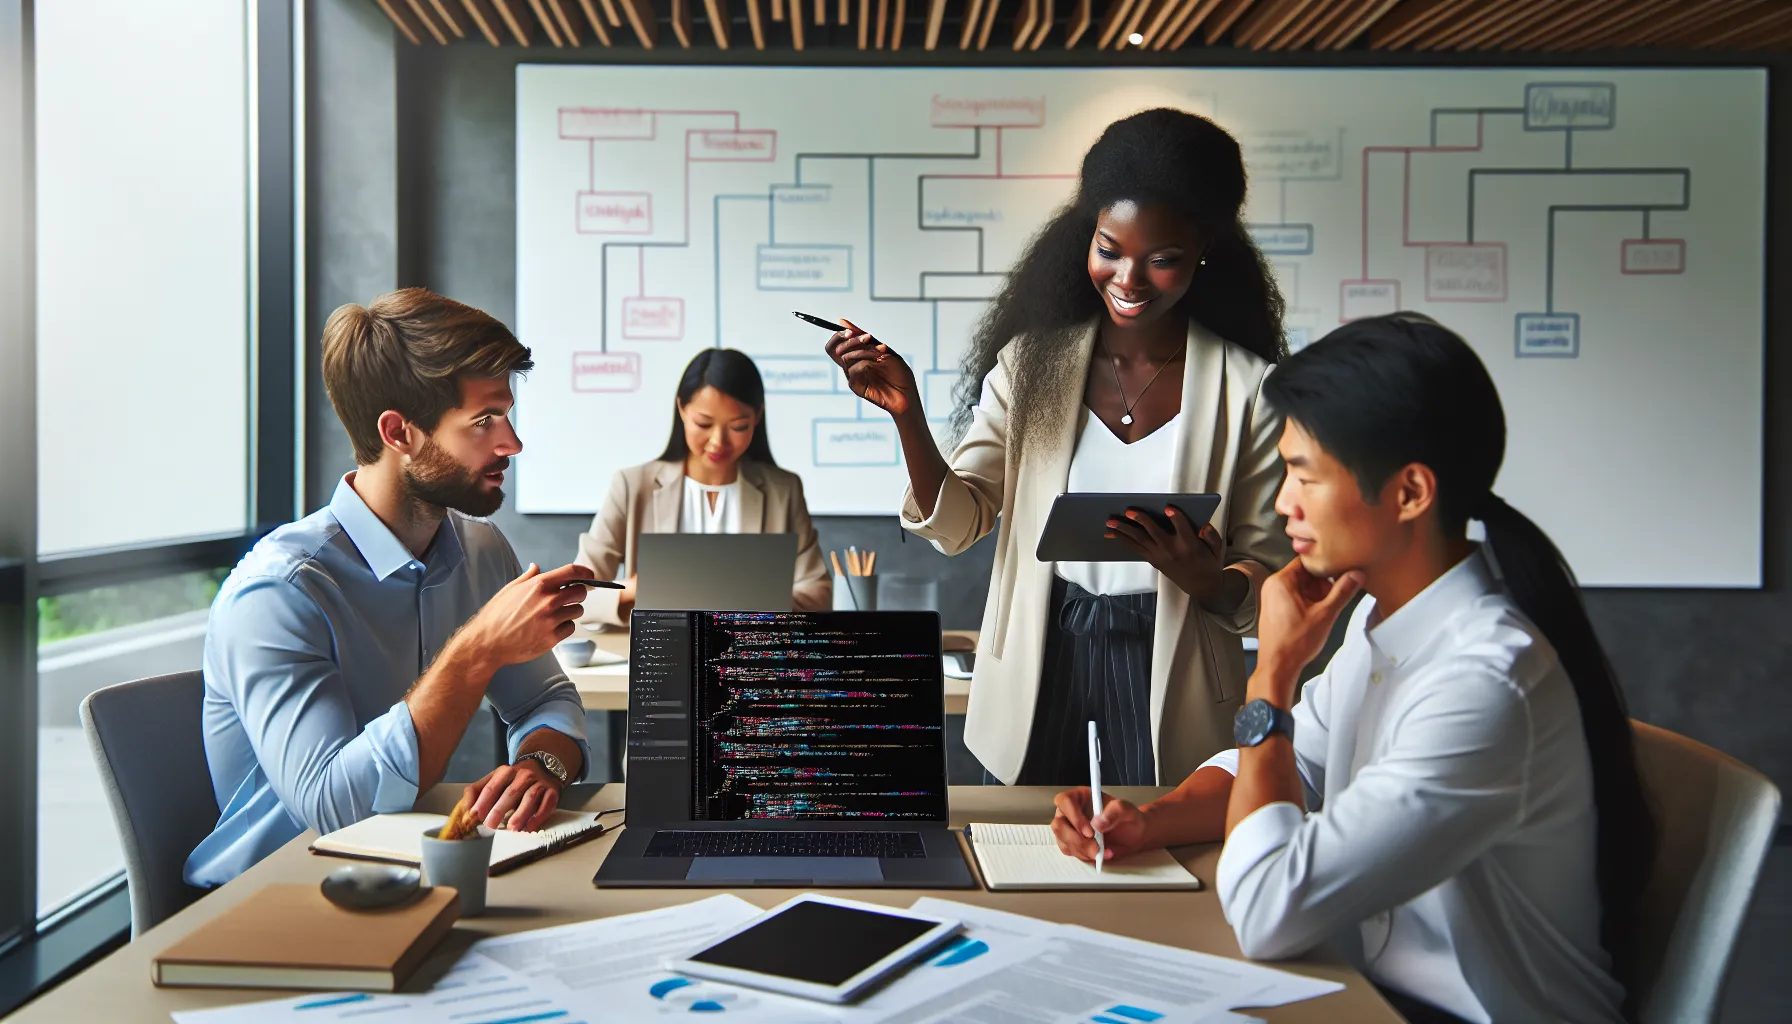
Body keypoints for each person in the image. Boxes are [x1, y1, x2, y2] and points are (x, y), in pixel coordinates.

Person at [1049, 313, 1657, 1023]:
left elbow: (1270, 910)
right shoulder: (1382, 628)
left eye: (1304, 475)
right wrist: (1150, 823)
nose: (1283, 506)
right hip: (1376, 995)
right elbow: (1294, 770)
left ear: (1409, 493)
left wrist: (1270, 676)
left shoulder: (1484, 684)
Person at [824, 108, 1290, 785]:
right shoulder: (1030, 366)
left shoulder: (1250, 390)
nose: (1128, 280)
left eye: (1162, 260)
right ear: (1087, 236)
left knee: (1160, 869)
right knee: (1019, 858)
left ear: (1203, 254)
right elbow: (958, 525)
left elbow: (1269, 573)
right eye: (1110, 248)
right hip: (1041, 662)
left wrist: (1210, 581)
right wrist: (908, 418)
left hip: (1173, 667)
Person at [186, 288, 593, 887]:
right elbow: (331, 812)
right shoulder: (277, 593)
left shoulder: (481, 552)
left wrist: (541, 763)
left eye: (506, 415)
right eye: (483, 421)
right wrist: (475, 650)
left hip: (417, 876)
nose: (511, 443)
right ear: (399, 432)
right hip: (277, 897)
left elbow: (545, 700)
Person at [574, 347, 829, 624]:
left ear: (757, 416)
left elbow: (819, 594)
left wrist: (748, 600)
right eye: (704, 423)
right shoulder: (632, 486)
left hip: (746, 655)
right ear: (682, 408)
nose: (718, 441)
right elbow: (578, 594)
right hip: (659, 653)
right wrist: (634, 591)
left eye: (738, 426)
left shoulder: (783, 490)